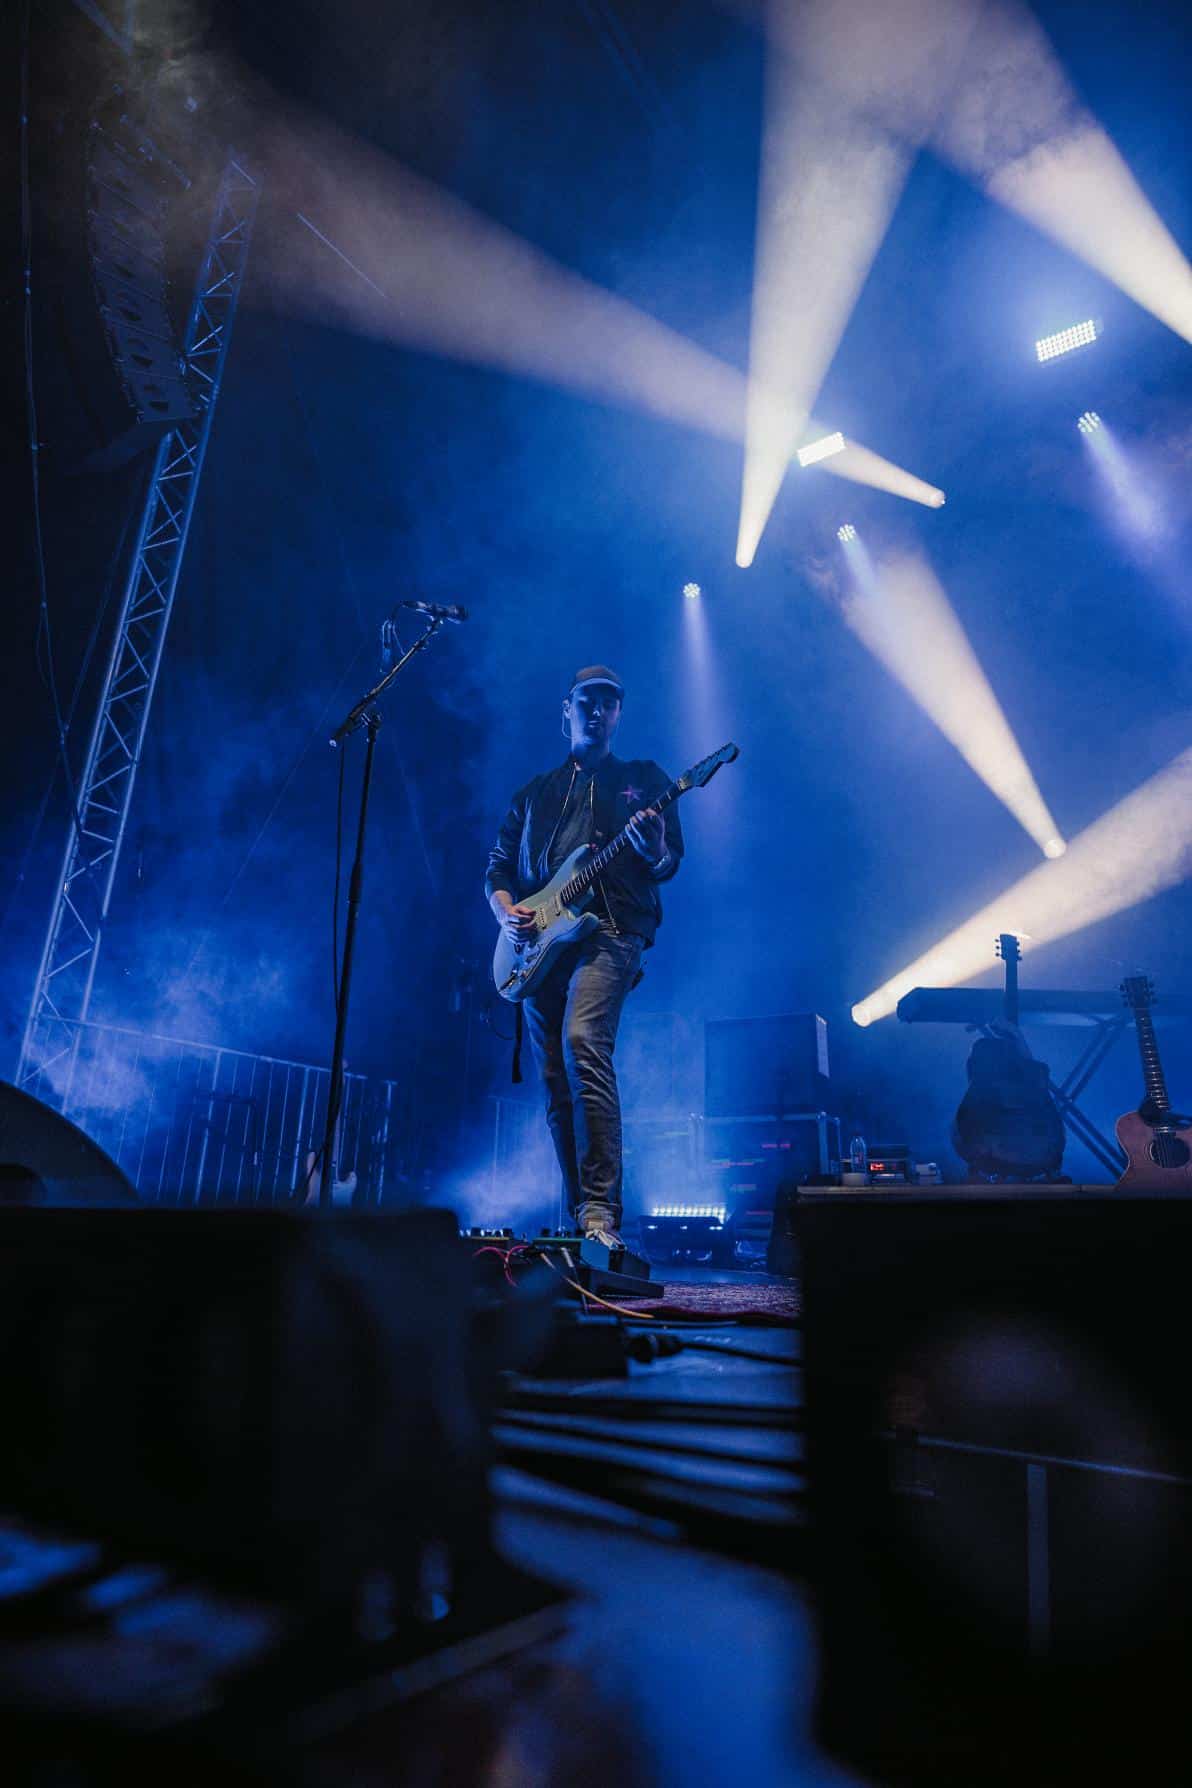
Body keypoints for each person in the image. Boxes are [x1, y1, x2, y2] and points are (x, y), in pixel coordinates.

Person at [485, 665, 683, 1249]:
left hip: (611, 929)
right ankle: (581, 1218)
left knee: (582, 1043)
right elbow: (498, 867)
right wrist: (506, 912)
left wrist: (655, 848)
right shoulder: (534, 794)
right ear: (566, 710)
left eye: (608, 703)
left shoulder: (643, 780)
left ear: (618, 714)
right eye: (587, 701)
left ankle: (600, 1210)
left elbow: (669, 862)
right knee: (554, 1081)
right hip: (538, 945)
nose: (597, 711)